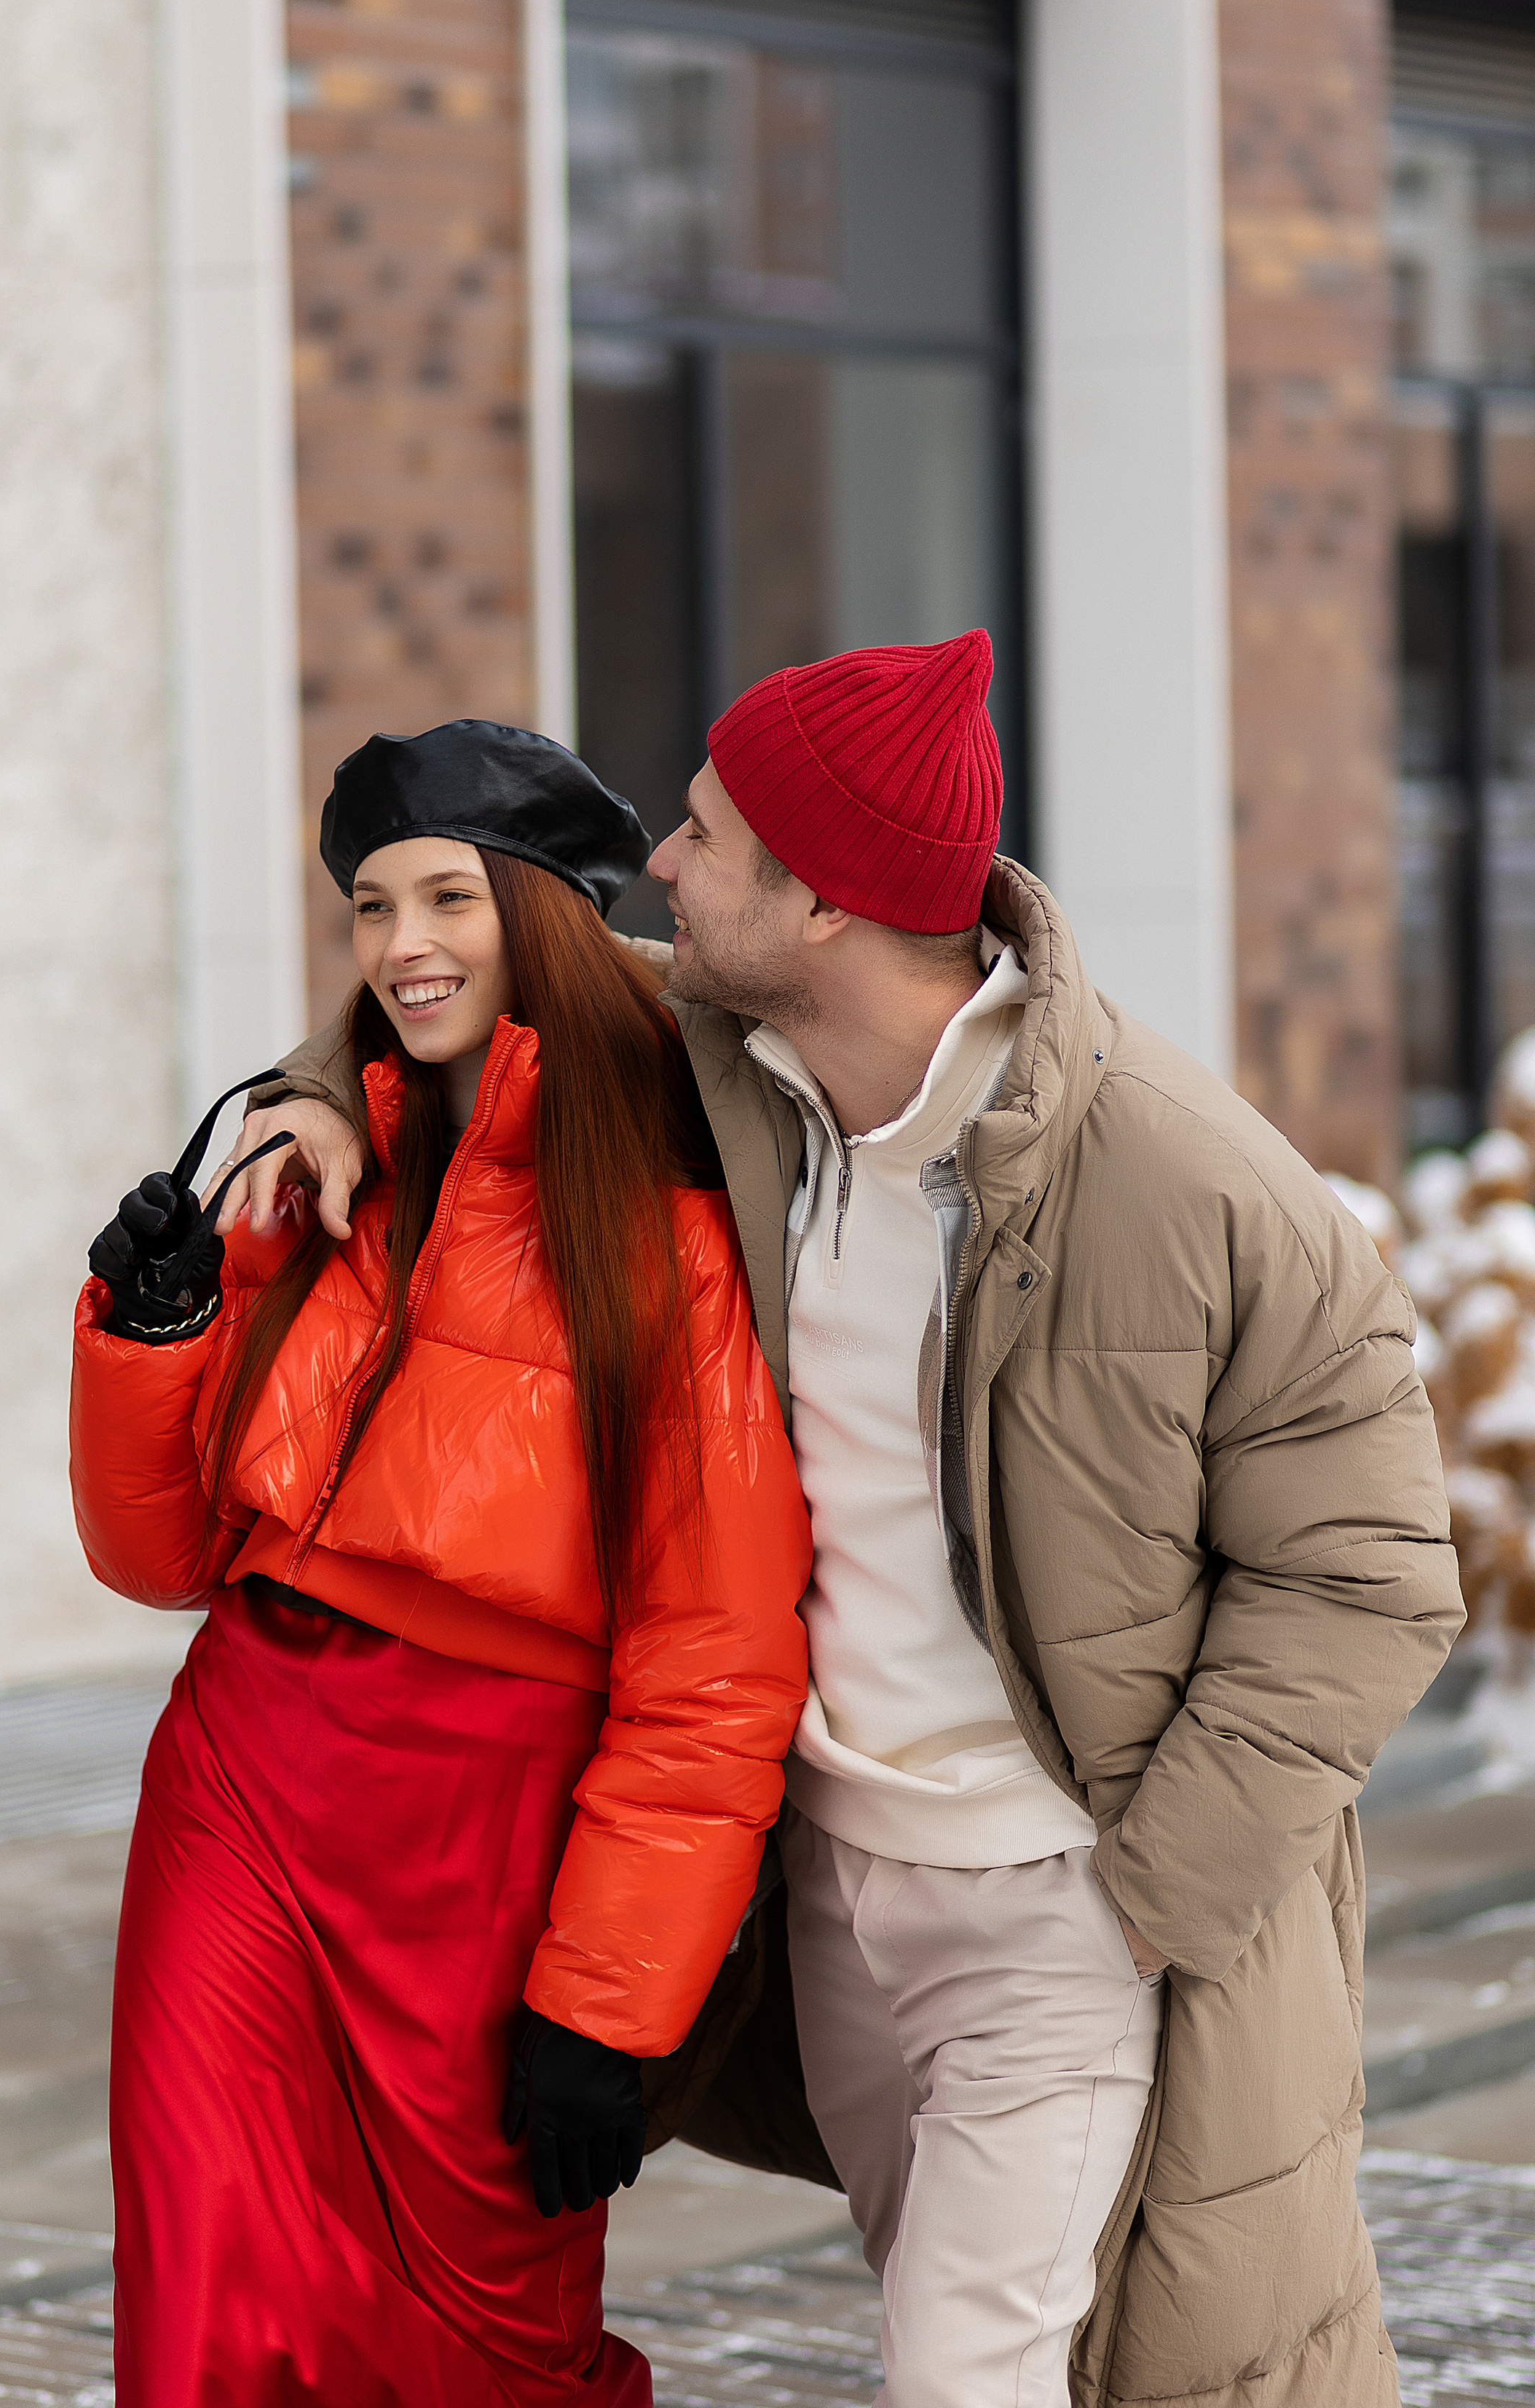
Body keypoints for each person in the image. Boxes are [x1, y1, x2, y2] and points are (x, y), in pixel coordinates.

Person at [234, 633, 1462, 2408]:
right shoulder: (731, 1063)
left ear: (814, 900)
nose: (656, 867)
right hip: (832, 1895)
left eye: (702, 836)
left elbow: (1364, 1577)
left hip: (1059, 1903)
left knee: (969, 2373)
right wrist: (307, 1102)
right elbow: (476, 990)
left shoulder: (1188, 1180)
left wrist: (1144, 1897)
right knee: (981, 2341)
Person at [70, 720, 812, 2407]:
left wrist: (608, 2006)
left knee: (488, 2340)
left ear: (542, 913)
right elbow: (159, 1555)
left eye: (448, 901)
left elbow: (712, 1669)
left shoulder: (675, 1230)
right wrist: (159, 1327)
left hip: (490, 1848)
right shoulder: (317, 1171)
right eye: (369, 907)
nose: (401, 946)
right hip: (244, 1786)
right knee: (203, 2282)